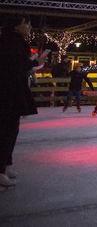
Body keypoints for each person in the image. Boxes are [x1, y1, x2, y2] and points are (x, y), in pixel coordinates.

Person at [0, 15, 48, 188]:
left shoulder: (14, 41)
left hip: (12, 91)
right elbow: (16, 66)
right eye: (25, 23)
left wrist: (35, 63)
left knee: (12, 129)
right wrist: (34, 61)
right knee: (6, 130)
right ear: (15, 25)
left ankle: (6, 164)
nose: (29, 27)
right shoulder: (10, 42)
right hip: (8, 93)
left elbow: (21, 66)